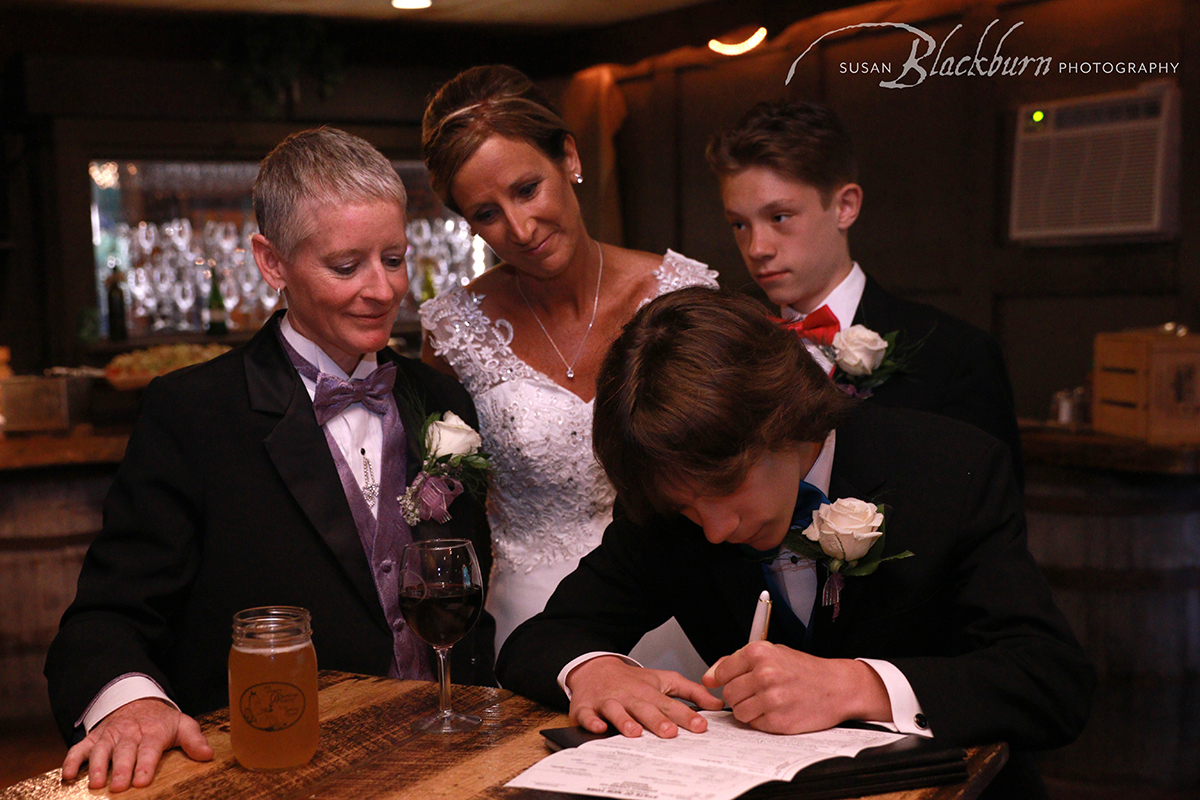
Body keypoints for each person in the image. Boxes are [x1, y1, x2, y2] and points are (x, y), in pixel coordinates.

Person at [497, 288, 1093, 799]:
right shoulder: (672, 505)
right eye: (685, 506)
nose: (713, 529)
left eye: (727, 487)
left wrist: (855, 685)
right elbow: (540, 640)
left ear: (783, 417)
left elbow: (1051, 680)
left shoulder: (949, 469)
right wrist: (595, 670)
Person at [44, 127, 496, 792]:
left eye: (394, 259)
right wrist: (134, 701)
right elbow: (106, 617)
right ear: (272, 261)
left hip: (454, 760)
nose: (381, 289)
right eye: (346, 267)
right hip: (282, 770)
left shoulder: (443, 400)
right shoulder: (192, 413)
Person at [418, 65, 718, 665]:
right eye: (486, 213)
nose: (520, 229)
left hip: (675, 602)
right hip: (527, 620)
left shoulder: (682, 294)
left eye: (527, 189)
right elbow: (446, 502)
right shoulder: (453, 330)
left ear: (570, 158)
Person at [707, 100, 1024, 487]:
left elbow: (990, 513)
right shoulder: (731, 353)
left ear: (845, 206)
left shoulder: (956, 355)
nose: (757, 248)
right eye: (739, 224)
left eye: (779, 217)